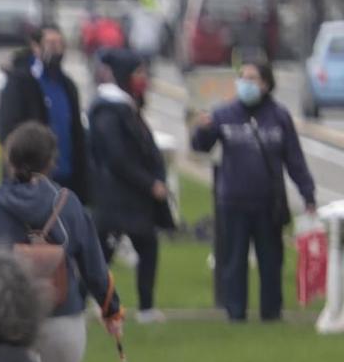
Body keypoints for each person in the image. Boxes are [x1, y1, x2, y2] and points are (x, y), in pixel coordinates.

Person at [0, 123, 122, 362]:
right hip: (64, 319)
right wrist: (111, 311)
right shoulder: (67, 203)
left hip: (9, 322)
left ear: (9, 159)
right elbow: (95, 268)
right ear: (51, 161)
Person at [191, 57, 318, 323]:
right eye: (243, 78)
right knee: (234, 261)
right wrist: (201, 130)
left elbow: (294, 158)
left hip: (268, 203)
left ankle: (271, 313)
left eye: (252, 79)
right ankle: (235, 313)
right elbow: (202, 147)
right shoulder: (224, 114)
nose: (246, 84)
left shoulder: (279, 117)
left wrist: (307, 192)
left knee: (271, 261)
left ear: (266, 84)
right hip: (233, 202)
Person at [88, 52, 173, 322]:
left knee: (144, 247)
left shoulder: (125, 108)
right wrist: (150, 184)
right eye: (138, 74)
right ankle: (89, 303)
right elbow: (117, 158)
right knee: (103, 255)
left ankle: (144, 307)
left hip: (131, 197)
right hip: (117, 197)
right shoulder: (109, 111)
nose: (143, 80)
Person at [0, 26, 87, 200]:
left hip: (65, 178)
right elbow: (8, 131)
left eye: (60, 43)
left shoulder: (68, 85)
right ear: (36, 47)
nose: (56, 49)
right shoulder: (20, 82)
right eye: (51, 43)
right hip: (31, 181)